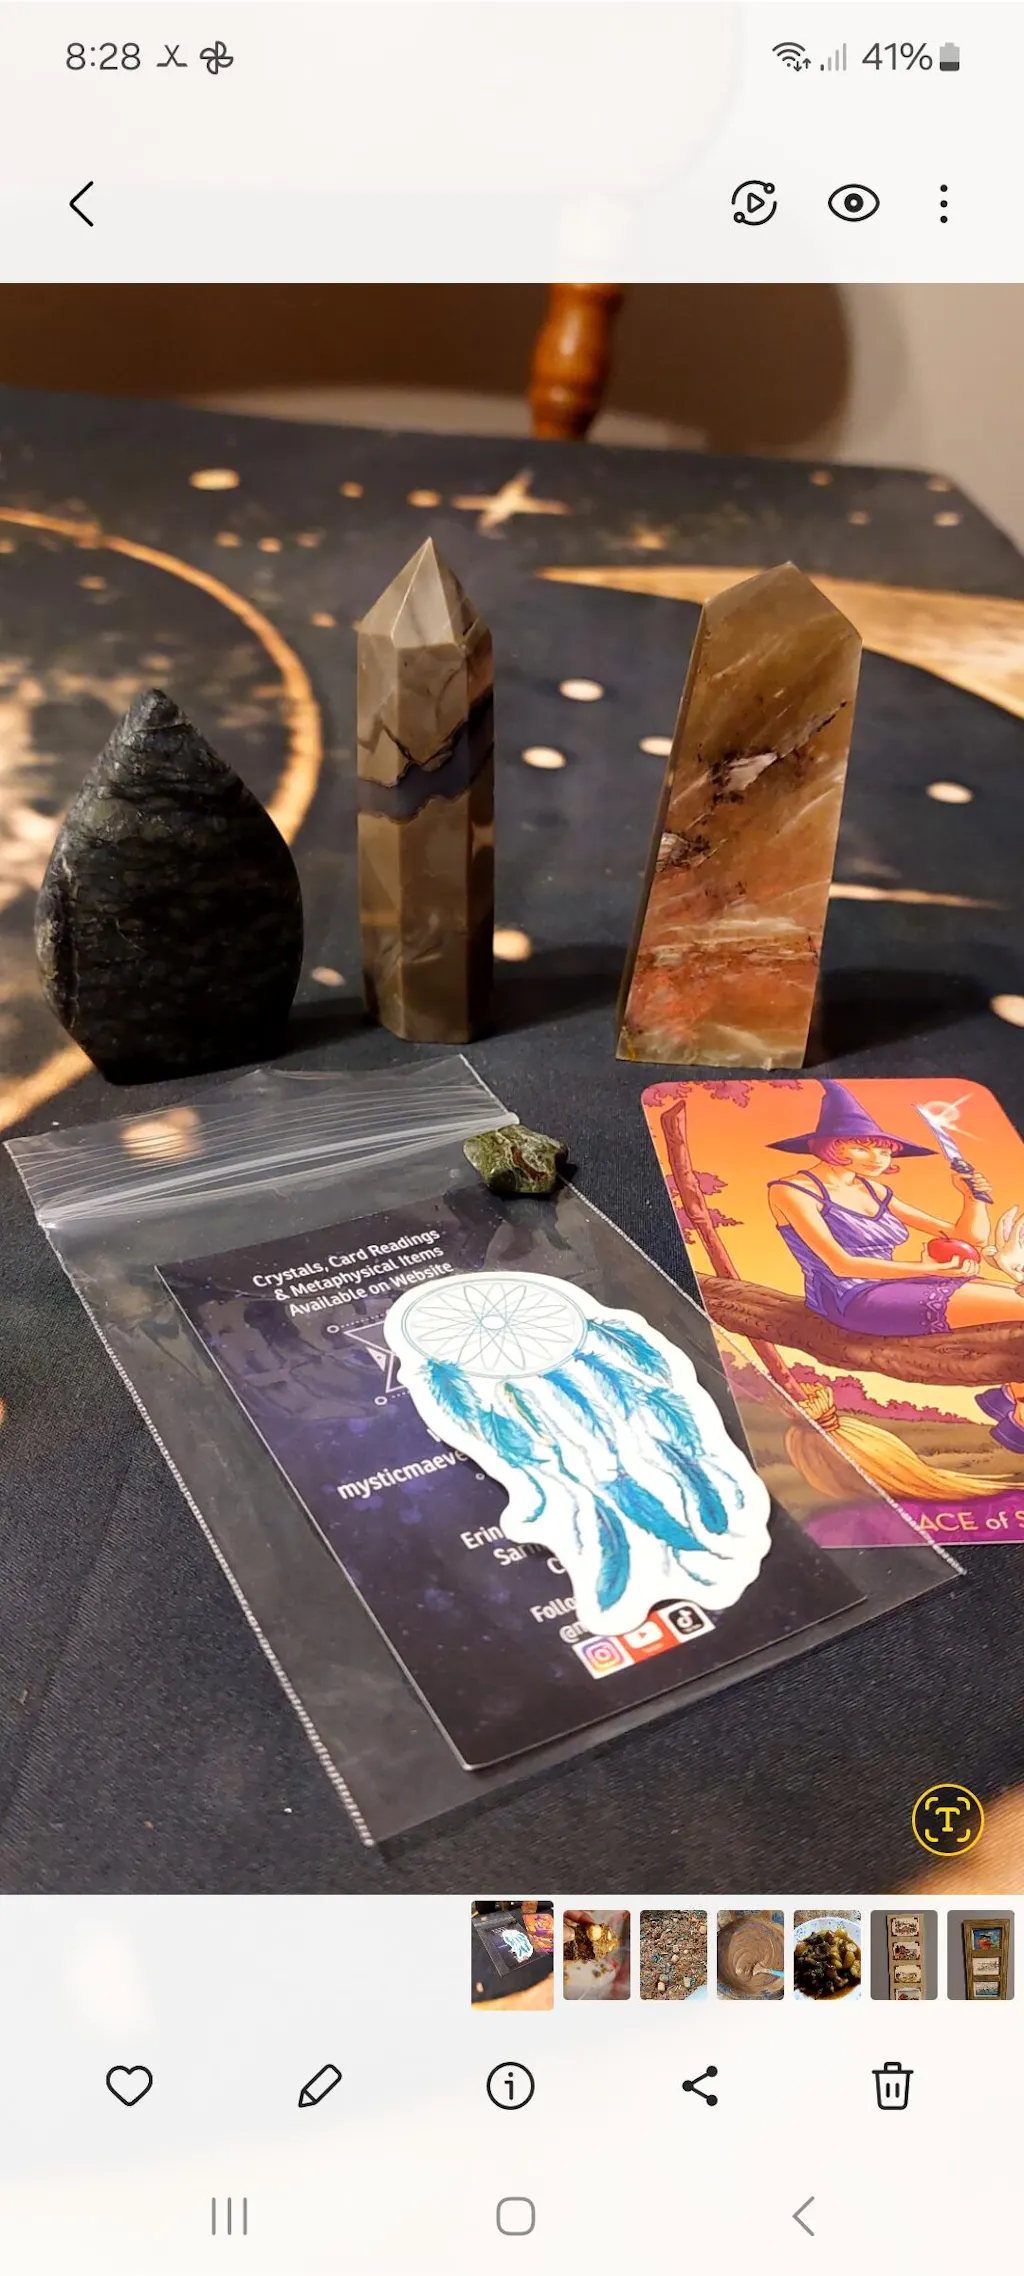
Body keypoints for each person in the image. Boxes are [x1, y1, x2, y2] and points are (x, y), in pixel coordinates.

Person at [767, 1082, 1024, 1440]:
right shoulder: (792, 1191)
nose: (878, 1159)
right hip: (849, 1298)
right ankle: (1015, 1419)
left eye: (885, 1150)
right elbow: (841, 1264)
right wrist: (933, 1270)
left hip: (899, 1284)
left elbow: (966, 1237)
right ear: (830, 1146)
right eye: (862, 1146)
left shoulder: (874, 1190)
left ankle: (1008, 1399)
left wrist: (972, 1198)